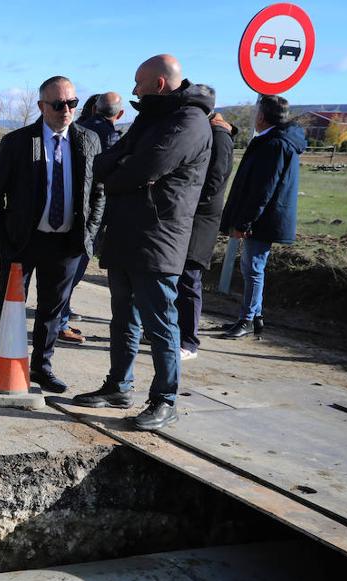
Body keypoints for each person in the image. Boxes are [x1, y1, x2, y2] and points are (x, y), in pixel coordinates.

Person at [75, 55, 213, 431]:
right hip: (126, 233)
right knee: (123, 318)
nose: (133, 90)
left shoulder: (190, 122)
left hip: (159, 238)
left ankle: (165, 399)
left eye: (138, 83)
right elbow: (107, 162)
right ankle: (119, 386)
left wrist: (121, 174)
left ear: (159, 84)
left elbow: (145, 168)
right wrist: (122, 172)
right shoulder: (152, 117)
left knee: (161, 323)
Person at [0, 75, 104, 394]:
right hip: (22, 241)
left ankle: (42, 367)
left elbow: (99, 192)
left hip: (66, 243)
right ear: (41, 106)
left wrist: (88, 232)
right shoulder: (18, 142)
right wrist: (2, 242)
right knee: (8, 304)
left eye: (72, 103)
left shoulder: (89, 140)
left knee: (53, 308)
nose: (67, 110)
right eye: (58, 104)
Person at [219, 95, 304, 340]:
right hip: (263, 217)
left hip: (263, 219)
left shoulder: (275, 144)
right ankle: (254, 316)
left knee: (253, 268)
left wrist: (246, 221)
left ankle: (246, 319)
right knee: (252, 267)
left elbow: (263, 189)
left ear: (262, 116)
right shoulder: (274, 141)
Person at [61, 91, 125, 341]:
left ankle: (60, 314)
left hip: (68, 207)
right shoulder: (110, 138)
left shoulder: (76, 129)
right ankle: (60, 320)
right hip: (95, 212)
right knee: (76, 265)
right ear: (119, 114)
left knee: (66, 267)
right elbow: (106, 179)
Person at [178, 110, 237, 359]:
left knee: (190, 279)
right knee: (179, 279)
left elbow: (215, 178)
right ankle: (174, 333)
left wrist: (190, 197)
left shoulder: (219, 137)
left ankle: (189, 342)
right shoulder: (207, 133)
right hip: (190, 215)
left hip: (201, 219)